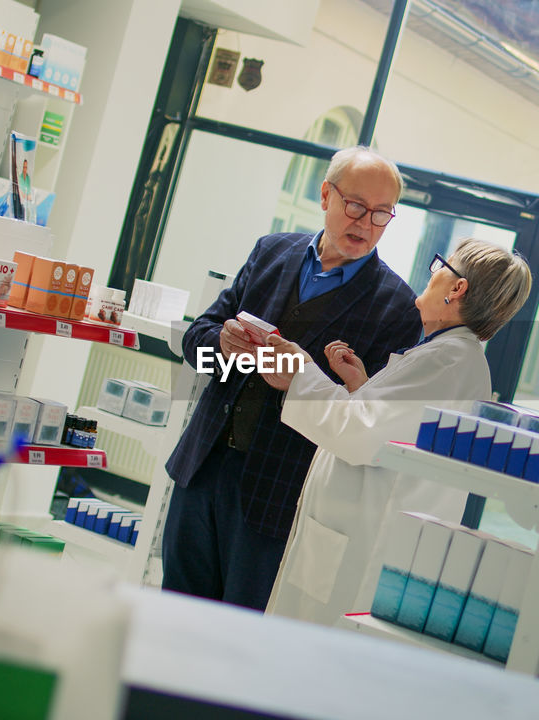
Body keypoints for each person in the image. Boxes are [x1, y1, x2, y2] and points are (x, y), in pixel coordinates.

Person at [160, 146, 423, 610]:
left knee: (239, 637)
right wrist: (221, 344)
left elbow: (370, 422)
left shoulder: (397, 307)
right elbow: (196, 336)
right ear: (326, 194)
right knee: (173, 614)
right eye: (356, 206)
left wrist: (315, 382)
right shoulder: (271, 252)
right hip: (203, 469)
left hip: (280, 497)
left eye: (382, 214)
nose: (365, 224)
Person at [260, 239, 532, 625]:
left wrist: (301, 375)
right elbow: (388, 430)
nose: (433, 272)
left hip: (359, 548)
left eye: (442, 265)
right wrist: (361, 388)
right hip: (355, 538)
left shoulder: (447, 362)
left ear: (457, 288)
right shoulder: (448, 357)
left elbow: (360, 435)